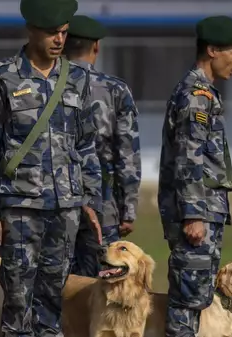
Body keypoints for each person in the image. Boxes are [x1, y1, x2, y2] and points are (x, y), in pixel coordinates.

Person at [0, 0, 102, 337]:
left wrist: (91, 200)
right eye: (51, 32)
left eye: (64, 31)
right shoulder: (2, 77)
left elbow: (87, 145)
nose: (60, 39)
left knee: (53, 293)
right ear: (31, 31)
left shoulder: (77, 78)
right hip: (20, 206)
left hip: (65, 206)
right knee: (18, 293)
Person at [157, 15, 232, 337]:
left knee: (196, 294)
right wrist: (194, 213)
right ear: (212, 50)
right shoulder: (195, 94)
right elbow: (188, 157)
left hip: (207, 211)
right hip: (196, 213)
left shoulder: (205, 93)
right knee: (186, 298)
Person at [63, 15, 141, 278]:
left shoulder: (45, 85)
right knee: (100, 281)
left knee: (54, 283)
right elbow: (127, 154)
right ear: (96, 46)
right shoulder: (115, 90)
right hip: (103, 202)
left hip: (54, 198)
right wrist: (128, 209)